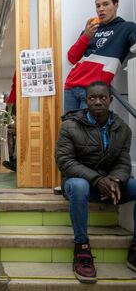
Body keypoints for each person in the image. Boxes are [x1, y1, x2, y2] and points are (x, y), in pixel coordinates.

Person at [55, 81, 136, 284]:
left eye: (102, 97)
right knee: (79, 186)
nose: (98, 102)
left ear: (110, 100)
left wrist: (116, 179)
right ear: (86, 101)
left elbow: (123, 162)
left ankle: (135, 248)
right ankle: (82, 248)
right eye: (92, 98)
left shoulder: (123, 129)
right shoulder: (69, 126)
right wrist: (96, 179)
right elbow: (65, 161)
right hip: (78, 184)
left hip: (109, 184)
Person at [63, 0, 136, 113]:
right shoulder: (90, 29)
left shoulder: (127, 27)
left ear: (116, 5)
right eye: (98, 6)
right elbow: (71, 58)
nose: (101, 9)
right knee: (70, 129)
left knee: (88, 131)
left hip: (95, 90)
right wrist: (86, 36)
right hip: (71, 87)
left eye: (106, 4)